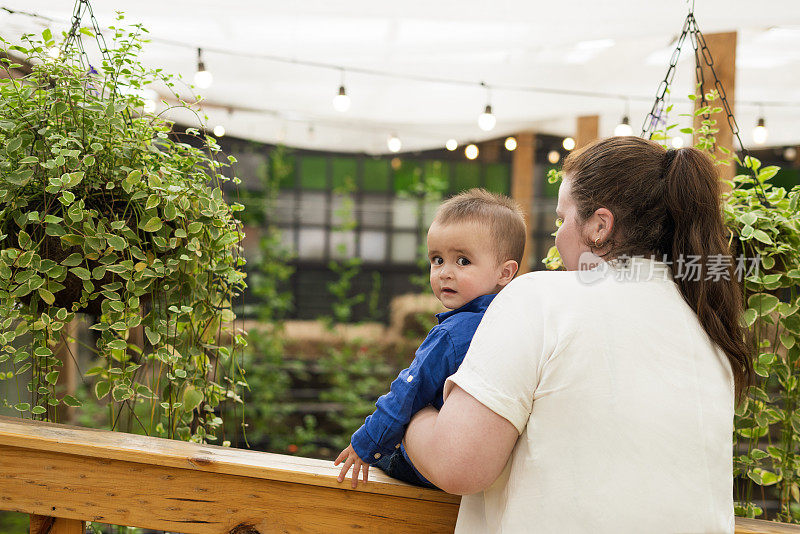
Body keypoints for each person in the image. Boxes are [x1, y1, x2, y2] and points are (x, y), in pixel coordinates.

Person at [403, 136, 754, 533]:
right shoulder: (709, 328)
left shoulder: (541, 298)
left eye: (561, 219)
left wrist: (407, 412)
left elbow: (458, 463)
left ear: (599, 226)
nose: (556, 236)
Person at [334, 188, 527, 489]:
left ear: (505, 272)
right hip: (489, 464)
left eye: (462, 261)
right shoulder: (514, 324)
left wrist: (366, 443)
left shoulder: (451, 333)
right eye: (437, 260)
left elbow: (408, 389)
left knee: (399, 431)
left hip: (433, 464)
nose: (445, 273)